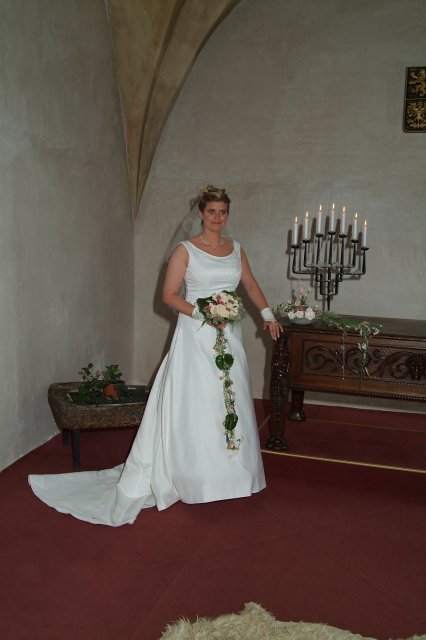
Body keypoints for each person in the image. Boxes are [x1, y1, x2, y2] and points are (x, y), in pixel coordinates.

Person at [28, 185, 283, 526]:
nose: (217, 218)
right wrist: (204, 313)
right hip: (196, 335)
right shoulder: (185, 250)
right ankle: (195, 476)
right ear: (200, 213)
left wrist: (267, 315)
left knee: (231, 395)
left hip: (229, 335)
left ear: (228, 214)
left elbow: (249, 284)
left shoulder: (236, 249)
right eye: (211, 211)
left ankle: (235, 474)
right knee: (199, 400)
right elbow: (169, 295)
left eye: (223, 212)